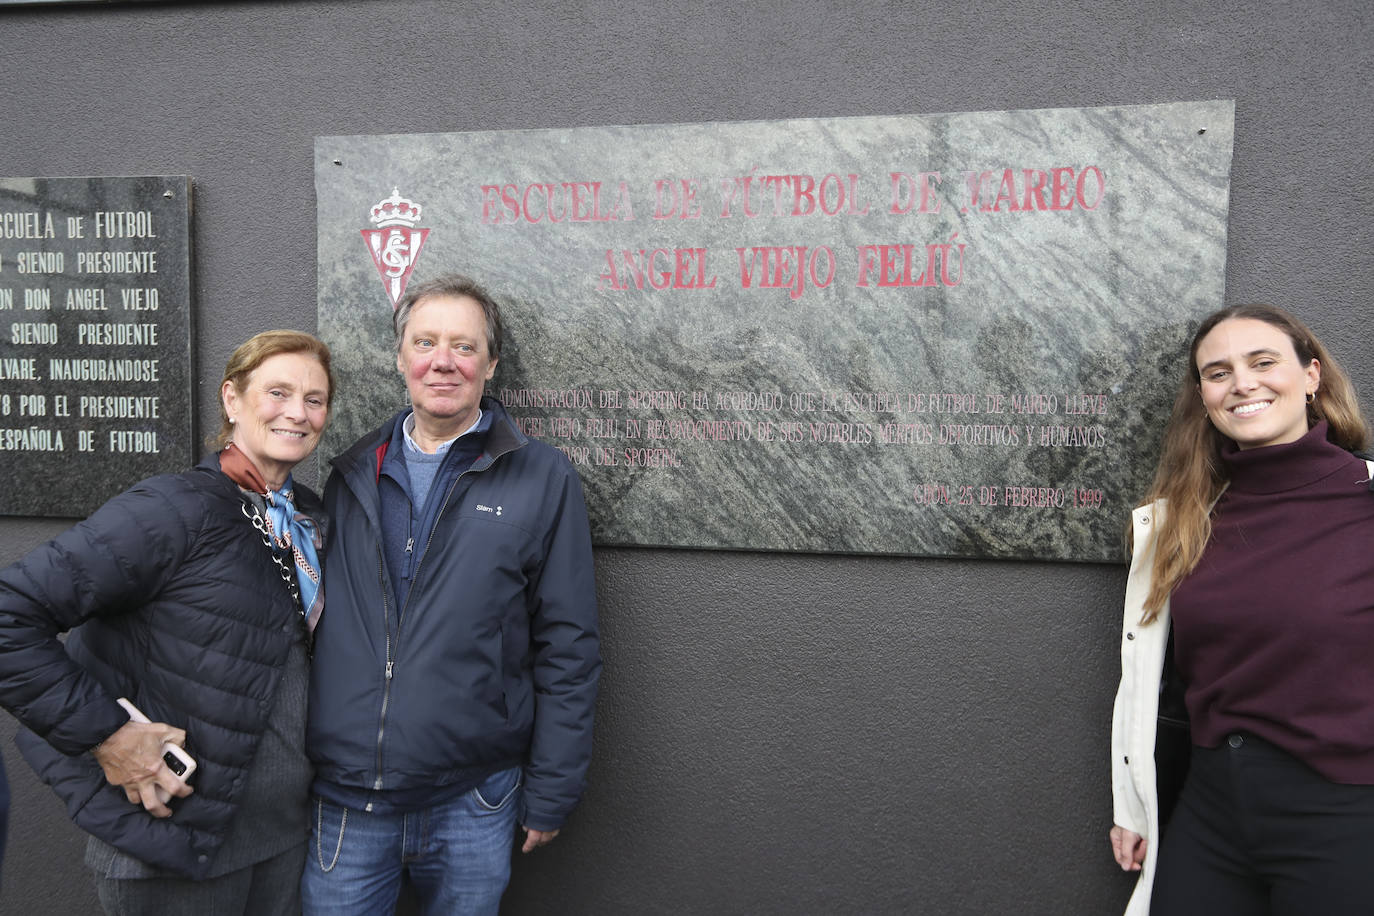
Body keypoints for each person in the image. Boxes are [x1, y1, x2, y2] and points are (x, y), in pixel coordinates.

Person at [0, 331, 333, 914]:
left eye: (314, 399)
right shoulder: (173, 508)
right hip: (174, 845)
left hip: (282, 840)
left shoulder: (306, 519)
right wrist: (108, 735)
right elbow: (9, 616)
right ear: (232, 399)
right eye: (277, 392)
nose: (297, 413)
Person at [301, 274, 601, 914]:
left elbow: (568, 646)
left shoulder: (542, 477)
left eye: (464, 347)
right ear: (401, 356)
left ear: (490, 364)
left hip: (474, 798)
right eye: (426, 341)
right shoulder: (350, 473)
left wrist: (552, 788)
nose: (443, 361)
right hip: (351, 802)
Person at [1108, 304, 1374, 915]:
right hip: (1211, 810)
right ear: (1203, 397)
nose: (1243, 384)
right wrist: (1135, 801)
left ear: (1312, 377)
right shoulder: (1178, 521)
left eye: (1263, 362)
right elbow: (1145, 676)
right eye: (1218, 372)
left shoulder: (1364, 498)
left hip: (1346, 813)